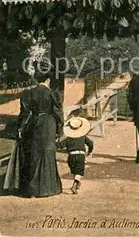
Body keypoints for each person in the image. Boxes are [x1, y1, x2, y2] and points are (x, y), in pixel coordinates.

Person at [16, 60, 64, 197]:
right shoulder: (52, 93)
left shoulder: (29, 93)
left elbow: (24, 112)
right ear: (48, 79)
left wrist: (21, 128)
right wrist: (59, 130)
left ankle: (31, 190)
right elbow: (58, 113)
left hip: (34, 123)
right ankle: (47, 188)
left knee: (34, 153)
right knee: (47, 152)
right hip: (48, 123)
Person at [57, 117, 94, 194]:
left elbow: (60, 145)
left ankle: (77, 183)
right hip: (80, 155)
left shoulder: (68, 138)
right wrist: (90, 151)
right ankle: (75, 184)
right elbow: (91, 144)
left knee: (74, 170)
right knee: (79, 172)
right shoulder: (83, 136)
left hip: (71, 156)